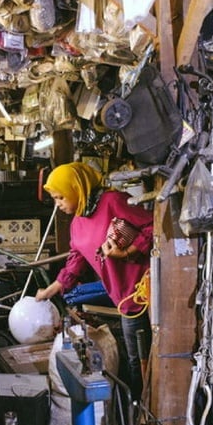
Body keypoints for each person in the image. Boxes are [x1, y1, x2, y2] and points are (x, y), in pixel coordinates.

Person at [36, 161, 154, 397]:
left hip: (139, 293)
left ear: (76, 189)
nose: (58, 205)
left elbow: (153, 225)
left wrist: (129, 252)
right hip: (118, 292)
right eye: (56, 199)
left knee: (139, 359)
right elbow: (77, 256)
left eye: (60, 197)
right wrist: (53, 289)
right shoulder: (79, 219)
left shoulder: (113, 201)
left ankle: (142, 409)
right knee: (134, 357)